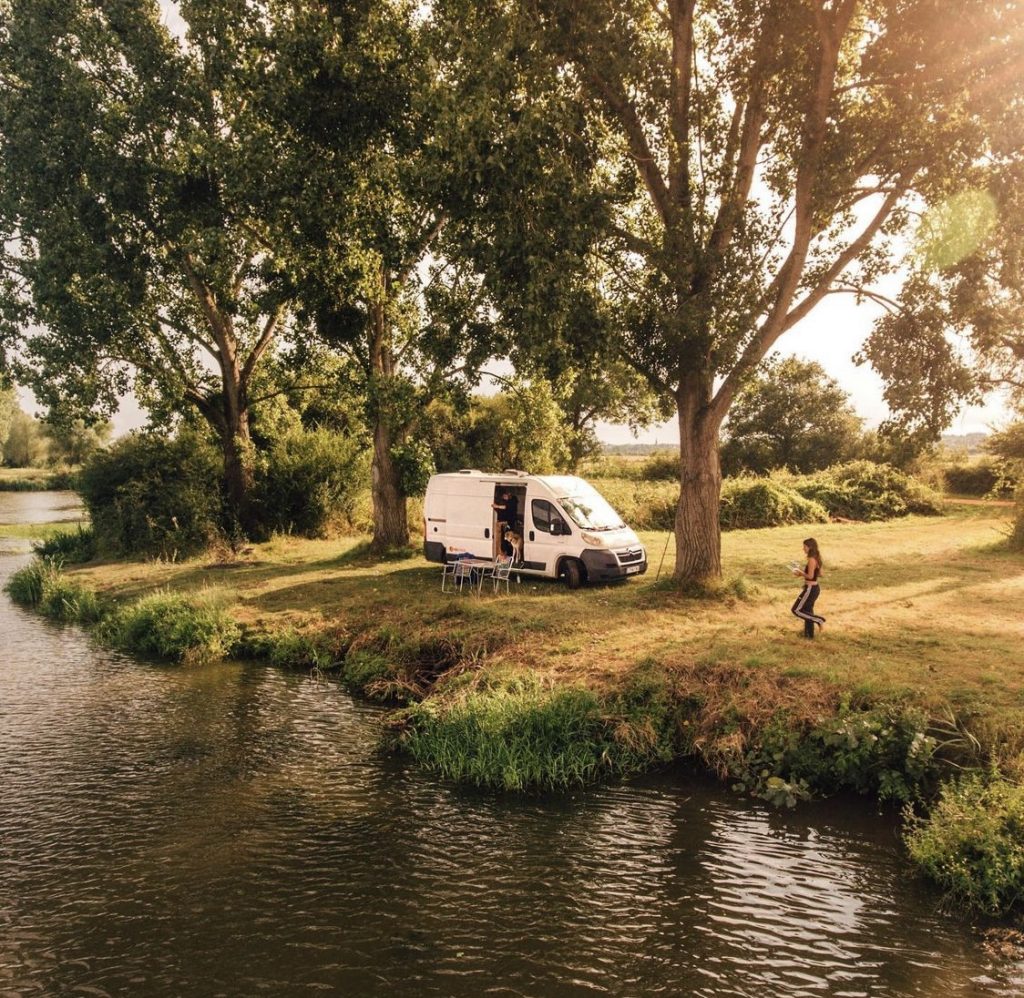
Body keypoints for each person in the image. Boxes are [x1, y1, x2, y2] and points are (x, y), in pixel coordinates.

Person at [791, 537, 825, 639]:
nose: (803, 549)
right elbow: (821, 574)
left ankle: (819, 620)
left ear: (810, 547)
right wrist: (803, 574)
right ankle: (809, 636)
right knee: (808, 611)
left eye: (804, 546)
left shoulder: (811, 559)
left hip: (810, 589)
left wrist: (801, 573)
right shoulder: (817, 558)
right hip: (814, 588)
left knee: (796, 610)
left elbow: (810, 576)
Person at [492, 490, 518, 555]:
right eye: (503, 496)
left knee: (508, 539)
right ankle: (505, 552)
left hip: (509, 523)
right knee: (504, 540)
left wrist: (497, 506)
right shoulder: (507, 501)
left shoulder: (512, 501)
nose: (504, 497)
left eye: (505, 496)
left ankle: (508, 553)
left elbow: (505, 507)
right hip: (505, 523)